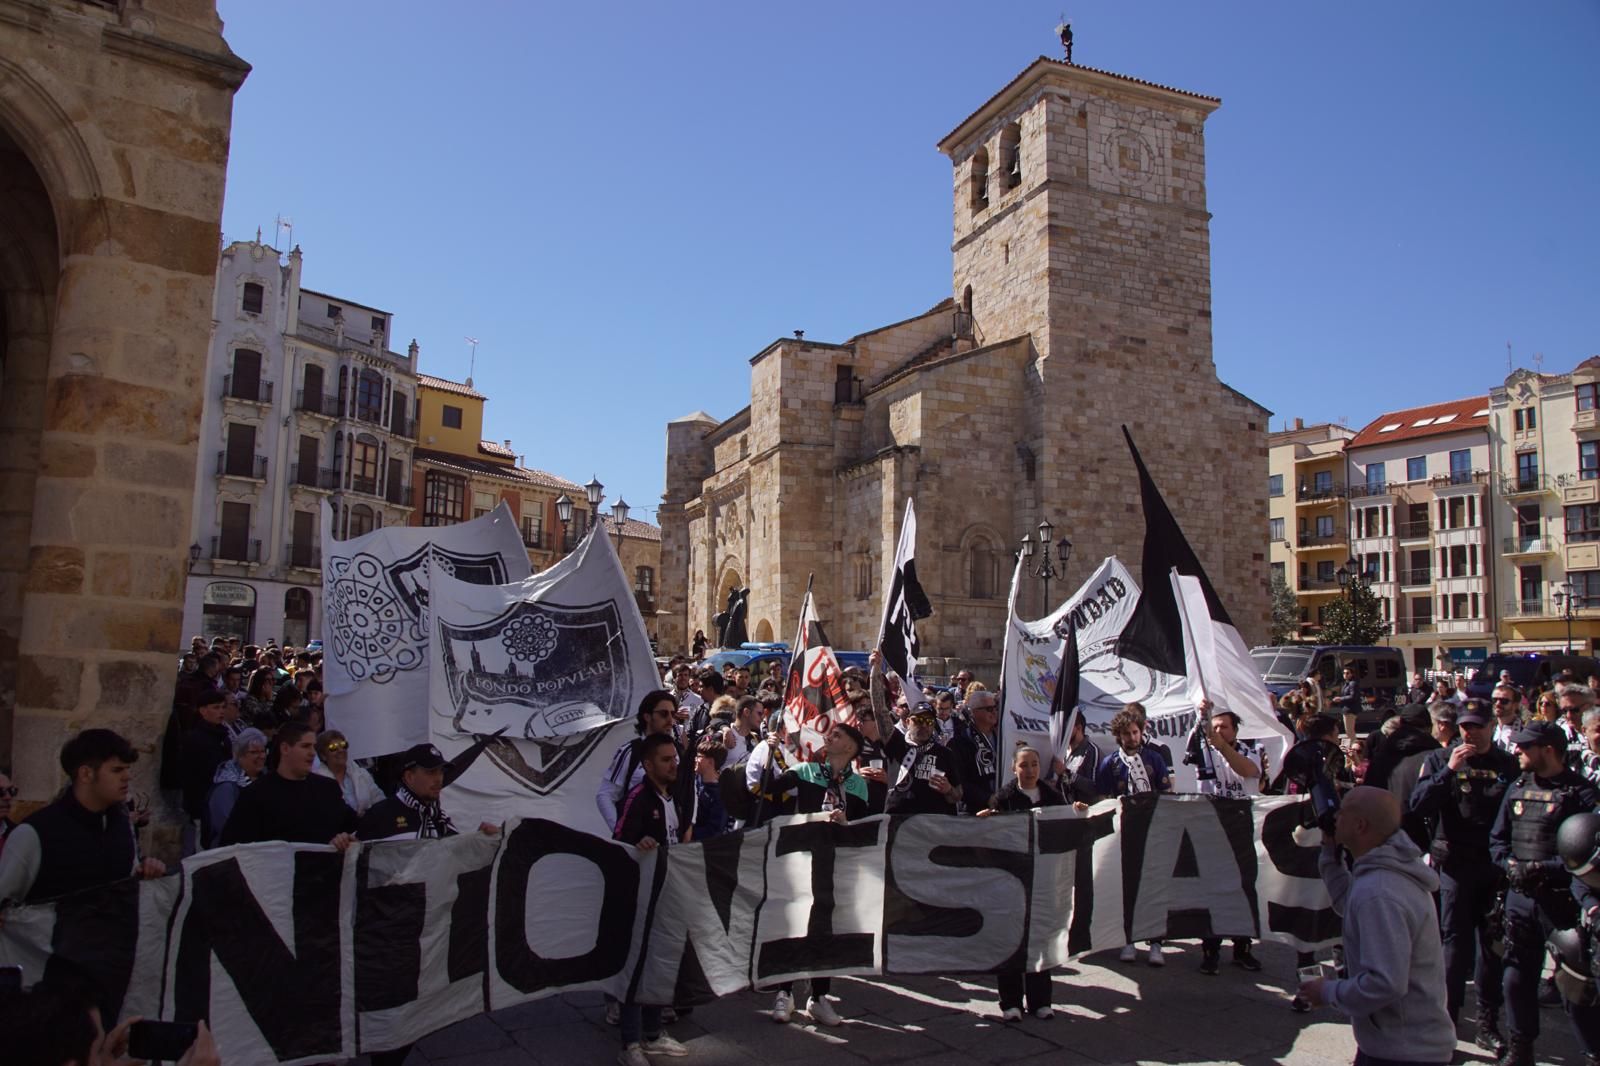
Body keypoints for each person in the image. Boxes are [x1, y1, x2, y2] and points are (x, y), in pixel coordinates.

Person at [1298, 787, 1455, 1066]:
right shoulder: (1383, 872)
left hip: (1403, 1054)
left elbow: (1385, 982)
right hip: (1396, 1046)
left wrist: (1327, 991)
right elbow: (1349, 902)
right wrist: (1330, 854)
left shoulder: (1380, 892)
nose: (1335, 817)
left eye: (1342, 812)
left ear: (1360, 825)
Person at [1407, 701, 1519, 1052]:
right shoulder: (1441, 759)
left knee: (1492, 947)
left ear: (1491, 727)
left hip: (1493, 868)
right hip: (1455, 865)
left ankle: (1487, 1022)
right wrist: (1449, 770)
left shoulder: (1507, 764)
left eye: (1477, 726)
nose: (1470, 733)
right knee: (1454, 948)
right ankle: (1447, 1021)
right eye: (1465, 726)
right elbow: (1418, 804)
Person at [1488, 720, 1600, 1066]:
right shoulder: (1518, 787)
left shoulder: (1580, 793)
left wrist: (1543, 868)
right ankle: (1521, 1049)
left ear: (1548, 750)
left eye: (1525, 746)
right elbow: (1497, 840)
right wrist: (1510, 865)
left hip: (1561, 901)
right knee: (1515, 979)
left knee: (1573, 986)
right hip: (1520, 898)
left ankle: (1593, 1053)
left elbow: (1588, 856)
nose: (1517, 751)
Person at [765, 723, 870, 1026]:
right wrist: (769, 752)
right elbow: (768, 787)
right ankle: (784, 992)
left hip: (835, 866)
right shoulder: (806, 771)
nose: (829, 737)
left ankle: (819, 996)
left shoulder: (858, 785)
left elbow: (865, 830)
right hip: (801, 860)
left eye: (837, 735)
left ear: (850, 747)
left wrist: (847, 821)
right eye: (830, 733)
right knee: (794, 925)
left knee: (826, 929)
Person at [0, 730, 165, 904]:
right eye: (117, 770)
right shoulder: (35, 832)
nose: (127, 777)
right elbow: (5, 904)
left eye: (127, 769)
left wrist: (146, 870)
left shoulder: (122, 824)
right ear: (86, 774)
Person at [979, 744, 1075, 1020]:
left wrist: (1077, 811)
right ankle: (1010, 1003)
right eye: (1024, 765)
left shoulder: (1053, 797)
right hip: (1010, 880)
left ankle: (1040, 1001)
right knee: (1009, 940)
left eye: (1034, 764)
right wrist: (984, 822)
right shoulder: (1003, 799)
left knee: (1040, 938)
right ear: (1014, 768)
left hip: (1043, 880)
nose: (1030, 770)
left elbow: (1066, 828)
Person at [613, 733, 692, 1064]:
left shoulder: (674, 798)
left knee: (660, 965)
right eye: (665, 760)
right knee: (636, 968)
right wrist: (638, 843)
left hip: (668, 895)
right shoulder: (638, 798)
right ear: (647, 765)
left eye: (675, 758)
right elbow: (619, 840)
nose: (673, 765)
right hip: (640, 898)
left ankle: (653, 1033)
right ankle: (630, 1043)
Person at [1192, 703, 1266, 976]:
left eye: (1224, 726)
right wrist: (1203, 714)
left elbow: (1248, 771)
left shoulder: (1250, 750)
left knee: (1243, 889)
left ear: (1235, 730)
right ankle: (1210, 949)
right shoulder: (1204, 752)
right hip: (1212, 829)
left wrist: (1223, 746)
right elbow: (1197, 731)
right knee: (1211, 890)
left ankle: (1242, 947)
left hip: (1241, 830)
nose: (1218, 730)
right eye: (1215, 726)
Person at [1095, 706, 1171, 966]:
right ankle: (1128, 940)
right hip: (1124, 834)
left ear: (1141, 732)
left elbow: (1166, 793)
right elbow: (1102, 799)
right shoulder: (1110, 763)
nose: (1132, 737)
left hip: (1153, 830)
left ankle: (1156, 942)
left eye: (1135, 732)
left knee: (1154, 887)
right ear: (1119, 735)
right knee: (1126, 888)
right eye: (1126, 733)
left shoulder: (1155, 759)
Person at [219, 722, 357, 848]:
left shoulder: (327, 788)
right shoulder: (256, 794)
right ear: (285, 748)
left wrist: (344, 838)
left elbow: (354, 827)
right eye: (305, 746)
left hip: (327, 866)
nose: (312, 753)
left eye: (313, 747)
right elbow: (233, 846)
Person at [869, 650, 961, 815]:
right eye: (918, 720)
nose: (924, 725)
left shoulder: (945, 754)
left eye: (929, 721)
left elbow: (958, 795)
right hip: (898, 821)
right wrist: (875, 671)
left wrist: (948, 789)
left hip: (933, 824)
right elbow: (879, 711)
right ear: (907, 722)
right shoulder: (896, 743)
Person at [358, 743, 496, 840]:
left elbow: (456, 862)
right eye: (431, 772)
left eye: (441, 771)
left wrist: (479, 840)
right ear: (409, 777)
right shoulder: (380, 815)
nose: (439, 779)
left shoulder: (440, 818)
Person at [597, 690, 682, 831]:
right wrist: (622, 832)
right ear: (647, 717)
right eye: (663, 714)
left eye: (673, 714)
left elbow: (689, 794)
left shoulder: (678, 751)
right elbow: (605, 795)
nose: (670, 720)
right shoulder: (631, 751)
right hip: (641, 840)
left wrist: (688, 829)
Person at [178, 688, 233, 855]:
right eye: (216, 707)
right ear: (203, 710)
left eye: (223, 707)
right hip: (201, 805)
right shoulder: (194, 739)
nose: (221, 711)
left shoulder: (223, 737)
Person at [203, 727, 267, 848]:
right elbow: (227, 826)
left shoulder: (266, 779)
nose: (261, 756)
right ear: (240, 755)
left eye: (263, 751)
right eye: (254, 752)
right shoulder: (226, 787)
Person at [949, 689, 1001, 813]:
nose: (994, 712)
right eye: (989, 709)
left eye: (995, 707)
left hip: (1002, 805)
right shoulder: (960, 742)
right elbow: (959, 781)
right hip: (974, 810)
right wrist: (986, 798)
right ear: (974, 712)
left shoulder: (1002, 738)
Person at [313, 730, 385, 815]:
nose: (340, 750)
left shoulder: (361, 774)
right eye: (333, 747)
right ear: (323, 756)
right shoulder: (318, 782)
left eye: (343, 745)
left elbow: (380, 800)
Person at [691, 738, 731, 841]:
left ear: (710, 762)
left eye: (699, 756)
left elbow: (714, 830)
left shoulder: (720, 794)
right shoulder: (694, 779)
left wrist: (689, 834)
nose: (695, 759)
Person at [1331, 663, 1362, 740]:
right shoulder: (1346, 683)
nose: (1345, 675)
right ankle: (1353, 744)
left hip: (1350, 710)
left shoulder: (1353, 683)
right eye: (1344, 673)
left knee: (1349, 731)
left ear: (1352, 674)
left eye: (1347, 673)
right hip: (1346, 709)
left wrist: (1340, 698)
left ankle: (1355, 745)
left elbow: (1353, 696)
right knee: (1349, 731)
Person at [1492, 684, 1525, 753]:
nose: (1497, 703)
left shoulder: (1524, 732)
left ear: (1515, 705)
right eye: (1494, 700)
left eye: (1504, 701)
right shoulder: (1488, 729)